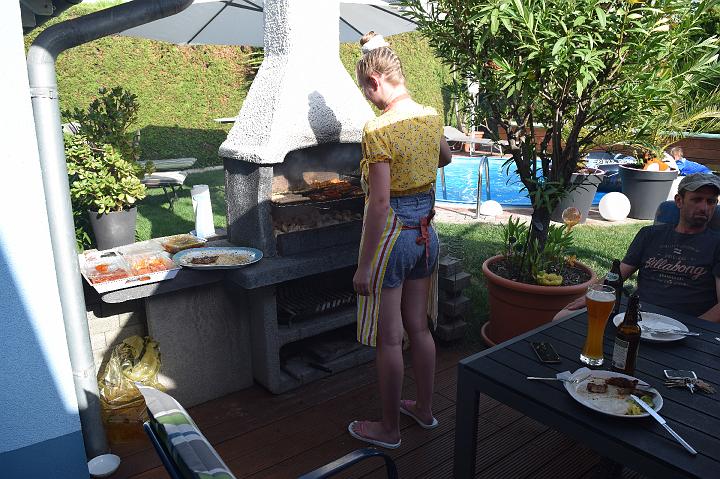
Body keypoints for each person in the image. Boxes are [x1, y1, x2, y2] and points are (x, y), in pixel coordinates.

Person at [348, 31, 452, 449]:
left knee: (390, 338)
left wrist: (364, 265)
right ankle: (424, 409)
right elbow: (445, 157)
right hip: (427, 235)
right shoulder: (430, 116)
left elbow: (379, 203)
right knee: (419, 328)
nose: (368, 98)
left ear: (375, 80)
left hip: (394, 238)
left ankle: (389, 429)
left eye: (366, 89)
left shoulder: (378, 129)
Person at [558, 173, 720, 322]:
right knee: (562, 316)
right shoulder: (650, 235)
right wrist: (592, 295)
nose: (704, 207)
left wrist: (696, 329)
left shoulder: (716, 244)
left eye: (711, 201)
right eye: (697, 199)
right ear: (679, 201)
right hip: (636, 315)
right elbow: (619, 273)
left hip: (686, 323)